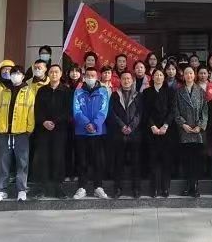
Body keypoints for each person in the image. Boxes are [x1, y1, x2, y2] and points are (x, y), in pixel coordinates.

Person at [0, 64, 35, 202]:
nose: (15, 75)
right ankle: (1, 190)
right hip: (3, 131)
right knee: (3, 162)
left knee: (22, 162)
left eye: (18, 73)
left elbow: (31, 111)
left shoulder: (28, 91)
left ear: (23, 76)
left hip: (21, 132)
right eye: (13, 73)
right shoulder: (4, 91)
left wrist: (29, 129)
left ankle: (21, 190)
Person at [34, 64, 71, 199]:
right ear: (48, 74)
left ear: (60, 74)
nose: (54, 74)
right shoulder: (42, 90)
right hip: (43, 129)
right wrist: (43, 121)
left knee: (58, 158)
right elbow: (37, 109)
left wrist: (55, 122)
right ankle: (42, 188)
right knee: (43, 158)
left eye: (56, 72)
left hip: (60, 130)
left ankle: (58, 188)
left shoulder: (66, 91)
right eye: (51, 72)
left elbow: (68, 111)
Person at [73, 67, 110, 199]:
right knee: (82, 161)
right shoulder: (78, 92)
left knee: (98, 161)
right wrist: (86, 123)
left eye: (92, 75)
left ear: (97, 76)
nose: (90, 77)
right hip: (81, 131)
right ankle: (82, 187)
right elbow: (76, 110)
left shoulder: (103, 91)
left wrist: (94, 124)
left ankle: (98, 187)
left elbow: (104, 110)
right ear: (84, 77)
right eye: (88, 75)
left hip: (98, 131)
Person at [175, 65, 208, 198]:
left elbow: (205, 111)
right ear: (183, 76)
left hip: (197, 131)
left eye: (191, 73)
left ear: (194, 75)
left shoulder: (201, 91)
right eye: (186, 73)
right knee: (186, 160)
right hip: (185, 131)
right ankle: (188, 185)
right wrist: (183, 124)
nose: (189, 75)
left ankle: (195, 186)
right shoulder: (179, 92)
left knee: (196, 160)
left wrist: (200, 126)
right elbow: (175, 110)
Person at [109, 70, 143, 198]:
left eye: (128, 78)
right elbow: (112, 113)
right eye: (124, 78)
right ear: (120, 80)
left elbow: (140, 113)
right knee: (118, 162)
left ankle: (136, 188)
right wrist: (122, 126)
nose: (126, 81)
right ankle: (117, 188)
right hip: (119, 133)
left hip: (135, 134)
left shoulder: (139, 96)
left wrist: (131, 126)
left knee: (136, 162)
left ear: (132, 80)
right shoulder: (114, 95)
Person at [141, 67, 175, 198]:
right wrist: (152, 126)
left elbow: (172, 110)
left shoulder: (170, 92)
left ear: (164, 77)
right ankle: (154, 188)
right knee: (153, 160)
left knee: (166, 161)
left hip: (167, 131)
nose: (158, 77)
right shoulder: (147, 92)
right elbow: (145, 111)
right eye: (156, 75)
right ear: (152, 77)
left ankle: (165, 188)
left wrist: (166, 125)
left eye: (161, 75)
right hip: (152, 131)